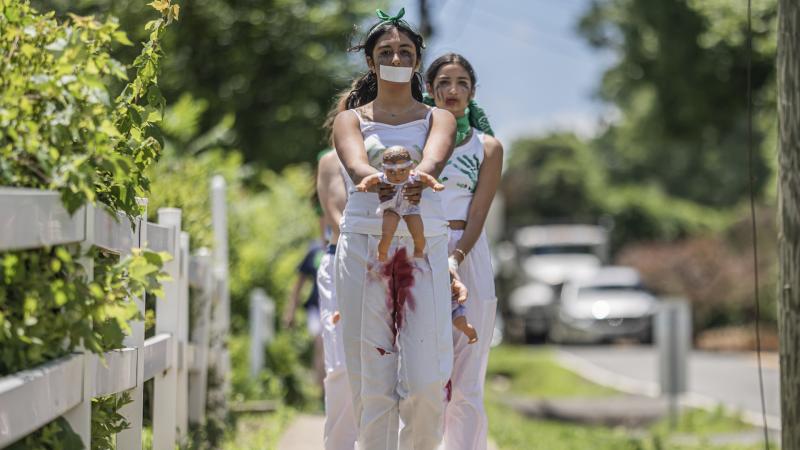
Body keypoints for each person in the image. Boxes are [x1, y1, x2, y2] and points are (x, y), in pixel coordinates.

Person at [332, 8, 460, 450]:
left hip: (423, 249)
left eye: (405, 51)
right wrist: (372, 177)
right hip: (365, 247)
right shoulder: (351, 119)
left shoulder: (437, 117)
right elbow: (355, 163)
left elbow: (435, 157)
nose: (396, 58)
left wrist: (420, 174)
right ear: (371, 62)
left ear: (417, 60)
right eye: (386, 52)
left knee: (426, 380)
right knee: (372, 379)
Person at [424, 53, 503, 450]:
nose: (452, 90)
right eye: (443, 83)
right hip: (421, 252)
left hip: (468, 255)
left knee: (468, 378)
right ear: (429, 89)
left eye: (461, 83)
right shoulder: (416, 139)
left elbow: (478, 213)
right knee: (424, 375)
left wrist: (456, 258)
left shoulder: (487, 147)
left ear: (473, 91)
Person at [316, 92, 358, 449]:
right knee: (342, 366)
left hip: (392, 264)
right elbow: (335, 214)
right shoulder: (331, 162)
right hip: (342, 260)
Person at [355, 146, 445, 261]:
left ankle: (419, 250)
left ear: (410, 167)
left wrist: (435, 184)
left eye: (402, 170)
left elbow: (427, 178)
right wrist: (363, 185)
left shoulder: (414, 176)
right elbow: (370, 179)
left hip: (410, 208)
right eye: (391, 172)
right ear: (384, 169)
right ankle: (382, 253)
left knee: (418, 233)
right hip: (390, 208)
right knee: (387, 234)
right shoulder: (383, 177)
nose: (397, 176)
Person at [283, 239, 326, 384]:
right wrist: (291, 311)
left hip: (339, 308)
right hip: (316, 308)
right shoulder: (315, 251)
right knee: (320, 344)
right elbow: (299, 284)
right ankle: (321, 389)